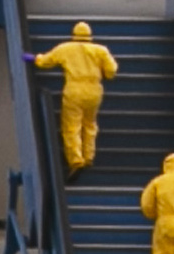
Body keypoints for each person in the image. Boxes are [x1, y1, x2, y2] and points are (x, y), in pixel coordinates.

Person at [31, 24, 115, 175]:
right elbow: (111, 71)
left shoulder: (66, 48)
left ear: (74, 34)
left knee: (72, 126)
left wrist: (34, 59)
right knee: (90, 124)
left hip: (74, 89)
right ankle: (89, 156)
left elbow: (45, 61)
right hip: (94, 89)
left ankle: (76, 160)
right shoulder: (101, 50)